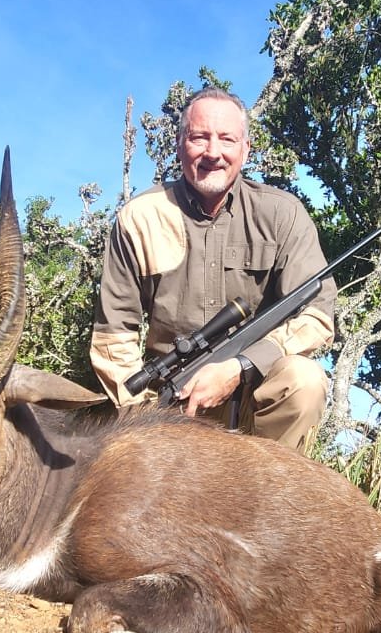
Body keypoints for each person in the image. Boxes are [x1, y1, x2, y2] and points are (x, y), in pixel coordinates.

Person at [90, 87, 334, 451]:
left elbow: (317, 317)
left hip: (253, 396)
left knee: (304, 381)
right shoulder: (140, 218)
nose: (213, 153)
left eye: (227, 139)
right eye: (199, 138)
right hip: (168, 408)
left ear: (246, 149)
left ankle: (269, 495)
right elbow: (114, 335)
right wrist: (143, 417)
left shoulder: (282, 214)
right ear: (179, 144)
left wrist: (239, 367)